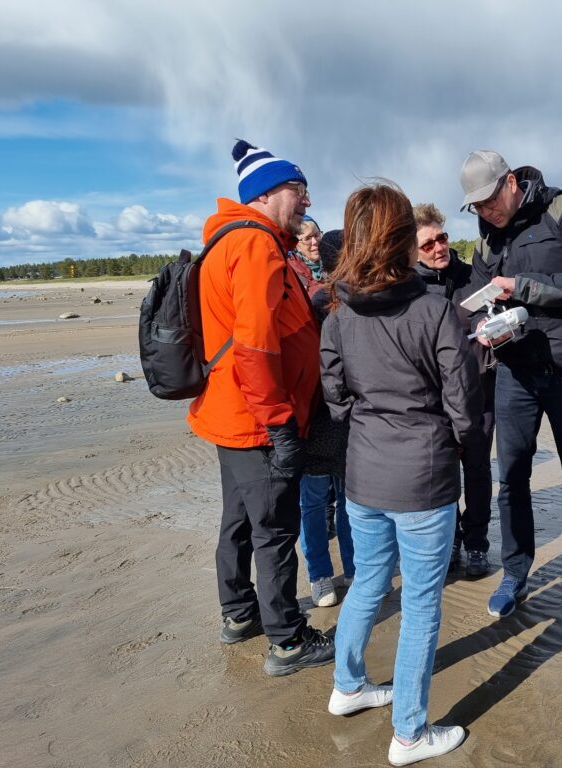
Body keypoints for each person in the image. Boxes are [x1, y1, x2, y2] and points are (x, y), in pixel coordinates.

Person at [321, 182, 483, 764]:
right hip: (420, 476)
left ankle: (349, 685)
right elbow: (465, 407)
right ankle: (409, 733)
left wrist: (374, 422)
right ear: (398, 242)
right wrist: (459, 444)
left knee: (367, 580)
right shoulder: (434, 311)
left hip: (366, 471)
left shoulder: (338, 314)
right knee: (418, 604)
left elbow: (335, 396)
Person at [188, 139, 334, 677]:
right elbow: (254, 346)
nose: (305, 201)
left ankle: (239, 614)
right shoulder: (253, 246)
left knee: (239, 520)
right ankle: (288, 641)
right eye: (299, 190)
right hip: (255, 417)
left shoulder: (237, 240)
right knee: (273, 527)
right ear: (269, 193)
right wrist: (279, 422)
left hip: (230, 411)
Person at [459, 150, 562, 621]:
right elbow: (480, 295)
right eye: (476, 207)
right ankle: (515, 573)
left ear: (510, 182)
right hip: (514, 374)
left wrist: (522, 287)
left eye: (489, 200)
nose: (486, 212)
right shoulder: (487, 236)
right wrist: (487, 324)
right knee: (512, 479)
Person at [413, 202, 496, 577]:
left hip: (478, 394)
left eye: (442, 238)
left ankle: (477, 542)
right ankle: (448, 545)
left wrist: (493, 330)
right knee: (441, 477)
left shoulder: (470, 276)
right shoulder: (410, 289)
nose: (438, 248)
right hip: (431, 404)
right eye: (427, 244)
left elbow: (488, 316)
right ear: (413, 251)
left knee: (477, 472)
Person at [286, 219, 355, 607]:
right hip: (314, 408)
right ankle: (319, 575)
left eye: (317, 236)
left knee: (348, 497)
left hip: (344, 411)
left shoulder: (350, 294)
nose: (313, 242)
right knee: (313, 499)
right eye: (305, 236)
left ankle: (355, 568)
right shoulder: (303, 290)